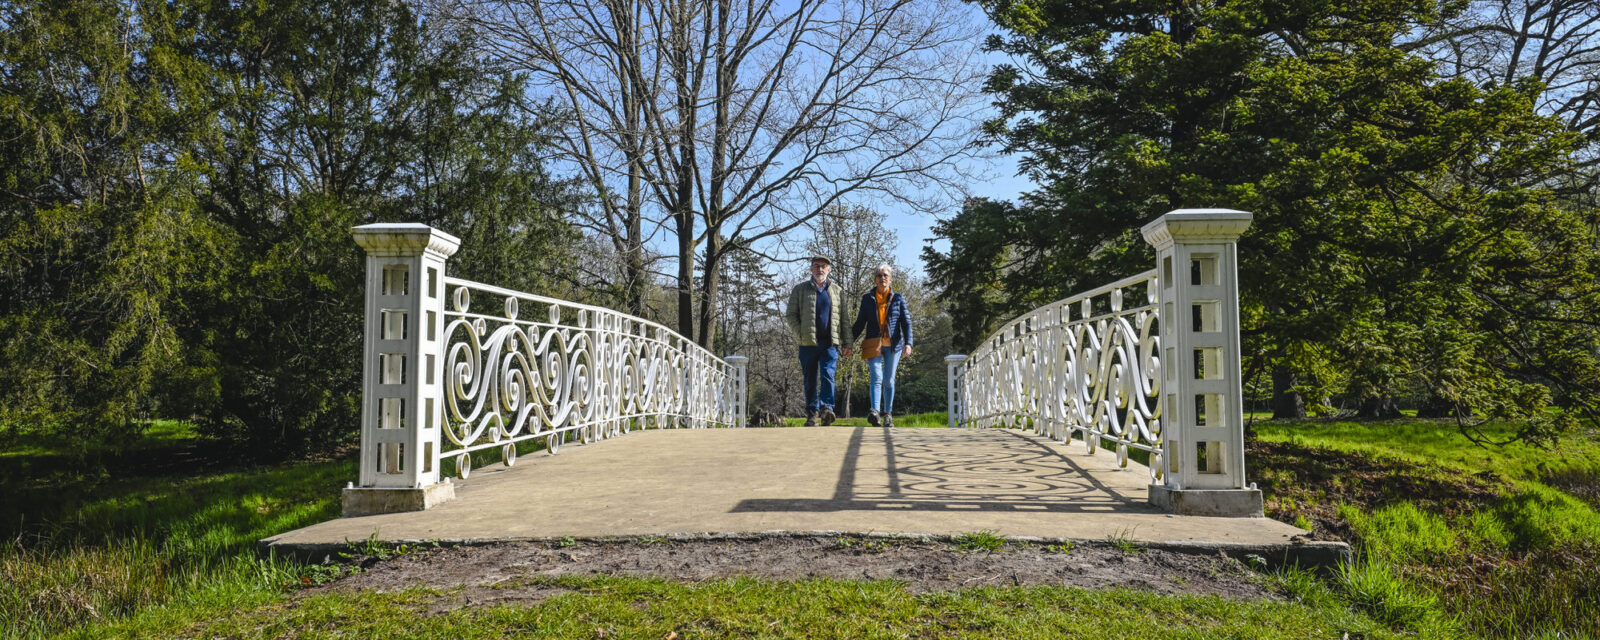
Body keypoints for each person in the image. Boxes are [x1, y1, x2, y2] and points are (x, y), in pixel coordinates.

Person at [846, 264, 913, 426]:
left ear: (890, 279)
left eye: (885, 275)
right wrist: (849, 343)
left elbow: (906, 323)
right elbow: (860, 323)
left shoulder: (898, 298)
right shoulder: (867, 299)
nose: (882, 278)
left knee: (889, 380)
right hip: (873, 343)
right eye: (879, 275)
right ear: (875, 279)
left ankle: (888, 414)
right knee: (876, 377)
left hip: (894, 345)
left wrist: (908, 343)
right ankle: (874, 412)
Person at [785, 256, 846, 426]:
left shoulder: (837, 291)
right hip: (808, 344)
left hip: (830, 343)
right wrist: (801, 335)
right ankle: (812, 413)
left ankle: (827, 409)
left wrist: (847, 343)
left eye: (824, 266)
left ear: (829, 269)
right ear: (811, 269)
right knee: (810, 378)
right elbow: (790, 315)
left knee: (828, 375)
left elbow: (844, 320)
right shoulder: (800, 289)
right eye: (816, 266)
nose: (820, 269)